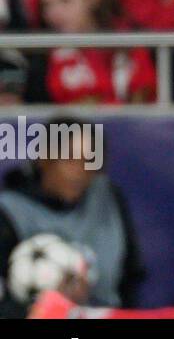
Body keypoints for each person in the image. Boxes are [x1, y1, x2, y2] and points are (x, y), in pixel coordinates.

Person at [0, 117, 146, 319]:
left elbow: (131, 278)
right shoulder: (9, 210)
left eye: (88, 161)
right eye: (69, 159)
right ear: (44, 160)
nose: (79, 171)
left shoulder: (107, 197)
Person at [38, 0, 155, 105]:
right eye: (47, 5)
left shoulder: (132, 41)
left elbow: (145, 98)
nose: (54, 13)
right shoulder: (43, 60)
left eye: (65, 0)